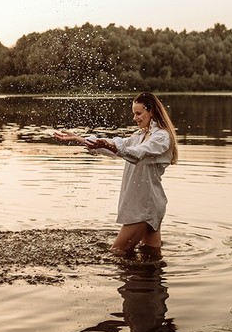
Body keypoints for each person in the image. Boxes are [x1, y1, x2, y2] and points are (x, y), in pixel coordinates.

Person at [54, 92, 178, 260]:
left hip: (144, 208)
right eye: (134, 113)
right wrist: (80, 139)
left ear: (152, 112)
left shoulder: (161, 137)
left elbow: (138, 154)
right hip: (147, 206)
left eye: (138, 113)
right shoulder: (140, 136)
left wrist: (114, 148)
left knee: (116, 253)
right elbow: (117, 144)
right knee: (151, 257)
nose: (135, 118)